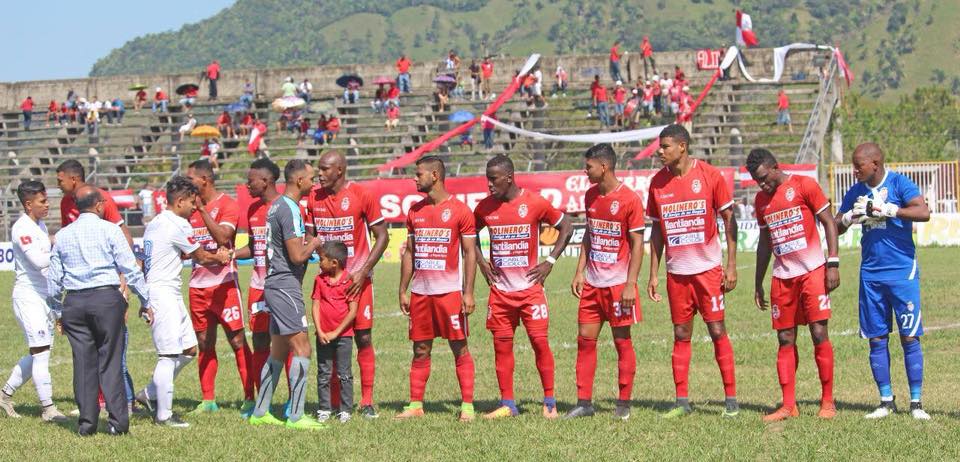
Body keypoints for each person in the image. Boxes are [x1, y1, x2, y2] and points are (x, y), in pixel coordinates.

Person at [647, 124, 740, 418]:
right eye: (660, 147)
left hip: (708, 271)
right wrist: (653, 273)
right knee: (680, 332)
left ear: (682, 147)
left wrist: (731, 265)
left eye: (665, 146)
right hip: (677, 273)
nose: (660, 152)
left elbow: (729, 219)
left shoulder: (710, 175)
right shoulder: (657, 183)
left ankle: (731, 400)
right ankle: (682, 401)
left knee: (717, 330)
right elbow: (657, 231)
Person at [835, 143, 932, 420]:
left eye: (858, 166)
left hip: (902, 273)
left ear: (875, 164)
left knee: (909, 336)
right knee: (876, 338)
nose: (854, 171)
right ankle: (886, 401)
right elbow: (836, 225)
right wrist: (849, 217)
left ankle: (916, 403)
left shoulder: (899, 183)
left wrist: (889, 210)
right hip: (871, 274)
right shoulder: (856, 191)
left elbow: (923, 212)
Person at [474, 155, 573, 419]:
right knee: (501, 347)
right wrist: (482, 263)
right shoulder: (484, 207)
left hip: (530, 291)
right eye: (487, 179)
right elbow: (468, 235)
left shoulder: (534, 202)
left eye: (493, 179)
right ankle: (508, 404)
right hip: (500, 293)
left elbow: (566, 226)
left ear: (509, 177)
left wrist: (550, 261)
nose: (489, 185)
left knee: (540, 343)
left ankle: (549, 402)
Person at [48, 186, 149, 436]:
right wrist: (145, 300)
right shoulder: (110, 230)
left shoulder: (62, 235)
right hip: (106, 300)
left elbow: (53, 282)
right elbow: (130, 268)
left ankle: (87, 424)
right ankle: (117, 423)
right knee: (111, 361)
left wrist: (58, 311)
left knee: (83, 363)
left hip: (74, 302)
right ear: (99, 205)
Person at [747, 149, 839, 421]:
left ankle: (828, 402)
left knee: (818, 333)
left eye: (764, 178)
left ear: (775, 167)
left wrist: (833, 262)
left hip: (812, 271)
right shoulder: (761, 201)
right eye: (757, 181)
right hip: (782, 277)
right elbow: (765, 243)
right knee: (785, 338)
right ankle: (789, 405)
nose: (762, 184)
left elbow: (828, 222)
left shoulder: (804, 185)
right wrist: (758, 282)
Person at [138, 176, 231, 428]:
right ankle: (164, 415)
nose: (194, 208)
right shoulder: (178, 224)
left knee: (189, 349)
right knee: (168, 356)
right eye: (191, 202)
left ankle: (149, 394)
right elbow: (201, 257)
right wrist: (221, 256)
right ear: (179, 201)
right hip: (163, 294)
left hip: (166, 292)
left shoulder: (156, 222)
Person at [304, 151, 389, 418]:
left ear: (339, 170)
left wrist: (363, 272)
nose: (319, 174)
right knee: (329, 340)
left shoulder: (362, 195)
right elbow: (310, 236)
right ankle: (333, 403)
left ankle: (366, 401)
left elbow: (382, 235)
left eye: (324, 169)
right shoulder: (313, 198)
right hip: (328, 285)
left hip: (357, 282)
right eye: (318, 169)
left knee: (363, 337)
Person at [565, 144, 644, 420]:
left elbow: (637, 244)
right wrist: (579, 271)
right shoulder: (590, 196)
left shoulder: (629, 199)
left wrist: (630, 284)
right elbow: (589, 234)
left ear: (604, 166)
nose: (585, 171)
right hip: (593, 285)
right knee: (585, 341)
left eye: (588, 166)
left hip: (618, 285)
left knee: (622, 341)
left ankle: (623, 404)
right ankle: (584, 403)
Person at [395, 156, 478, 421]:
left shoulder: (460, 210)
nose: (414, 178)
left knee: (459, 347)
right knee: (420, 349)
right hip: (421, 293)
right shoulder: (414, 211)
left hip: (449, 293)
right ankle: (416, 405)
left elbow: (470, 253)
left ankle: (467, 406)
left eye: (418, 174)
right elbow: (410, 252)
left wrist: (468, 292)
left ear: (435, 175)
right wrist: (403, 289)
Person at [247, 159, 325, 430]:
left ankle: (260, 411)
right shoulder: (289, 208)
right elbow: (296, 255)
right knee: (303, 348)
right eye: (311, 178)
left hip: (275, 283)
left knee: (278, 351)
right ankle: (296, 415)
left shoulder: (276, 206)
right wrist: (314, 242)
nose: (314, 183)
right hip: (284, 286)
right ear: (299, 180)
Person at [185, 160, 255, 415]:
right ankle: (208, 400)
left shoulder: (227, 205)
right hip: (197, 286)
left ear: (204, 179)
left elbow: (224, 238)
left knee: (236, 340)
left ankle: (250, 397)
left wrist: (203, 211)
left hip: (225, 285)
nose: (187, 182)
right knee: (204, 342)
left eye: (190, 178)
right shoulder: (188, 209)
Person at [0, 182, 67, 422]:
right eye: (42, 201)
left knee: (41, 351)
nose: (47, 205)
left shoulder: (39, 225)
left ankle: (4, 395)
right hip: (28, 298)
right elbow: (39, 261)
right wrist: (61, 249)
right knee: (41, 353)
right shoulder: (21, 227)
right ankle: (48, 409)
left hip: (44, 296)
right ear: (29, 204)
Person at [234, 158, 281, 398]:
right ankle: (262, 399)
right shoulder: (252, 209)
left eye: (250, 180)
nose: (247, 185)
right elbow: (254, 247)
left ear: (266, 180)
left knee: (287, 341)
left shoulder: (287, 206)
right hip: (258, 287)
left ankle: (293, 402)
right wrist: (232, 254)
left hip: (281, 287)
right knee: (260, 341)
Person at [311, 241, 359, 423]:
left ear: (334, 263)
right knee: (323, 373)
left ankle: (345, 410)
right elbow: (315, 305)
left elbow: (352, 311)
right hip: (323, 336)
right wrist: (320, 330)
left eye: (321, 259)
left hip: (343, 337)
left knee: (344, 374)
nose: (319, 262)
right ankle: (324, 408)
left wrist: (336, 332)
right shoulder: (319, 280)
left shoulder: (350, 280)